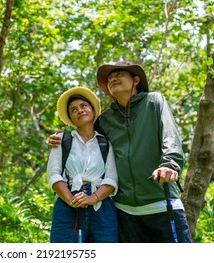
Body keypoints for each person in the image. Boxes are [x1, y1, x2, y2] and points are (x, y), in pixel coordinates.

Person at [47, 61, 192, 243]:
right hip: (124, 212)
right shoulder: (106, 119)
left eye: (119, 74)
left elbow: (170, 136)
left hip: (161, 203)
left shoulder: (154, 101)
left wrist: (170, 164)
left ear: (136, 80)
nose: (112, 79)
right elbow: (85, 137)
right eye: (109, 79)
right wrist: (57, 137)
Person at [47, 87, 118, 243]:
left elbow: (111, 179)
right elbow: (54, 176)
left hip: (101, 208)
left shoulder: (105, 142)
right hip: (67, 206)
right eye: (74, 109)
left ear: (92, 110)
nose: (79, 110)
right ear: (70, 118)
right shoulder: (61, 139)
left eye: (83, 106)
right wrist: (72, 200)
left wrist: (92, 198)